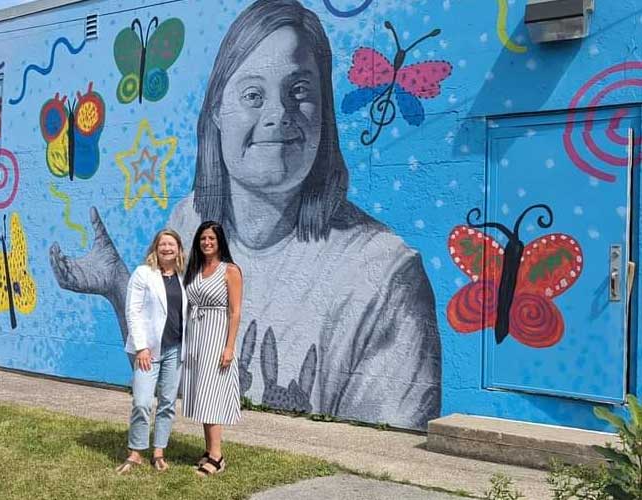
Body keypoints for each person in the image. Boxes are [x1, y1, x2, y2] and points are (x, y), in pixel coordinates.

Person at [50, 0, 441, 430]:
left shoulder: (385, 277)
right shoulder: (190, 220)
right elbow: (165, 374)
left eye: (299, 91)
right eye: (254, 94)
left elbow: (379, 465)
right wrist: (119, 288)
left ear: (324, 111)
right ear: (217, 111)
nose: (278, 115)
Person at [114, 229, 188, 474]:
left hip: (175, 349)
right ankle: (135, 452)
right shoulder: (143, 274)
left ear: (178, 249)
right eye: (162, 244)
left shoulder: (182, 276)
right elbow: (132, 312)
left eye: (171, 244)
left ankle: (158, 452)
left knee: (167, 403)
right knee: (142, 401)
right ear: (155, 249)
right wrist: (141, 347)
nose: (167, 248)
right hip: (149, 351)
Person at [181, 221, 243, 476]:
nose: (207, 243)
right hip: (196, 337)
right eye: (203, 238)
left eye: (212, 239)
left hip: (216, 338)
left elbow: (235, 311)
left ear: (220, 242)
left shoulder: (230, 270)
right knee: (201, 394)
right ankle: (208, 449)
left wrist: (229, 347)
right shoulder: (195, 268)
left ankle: (217, 456)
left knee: (212, 395)